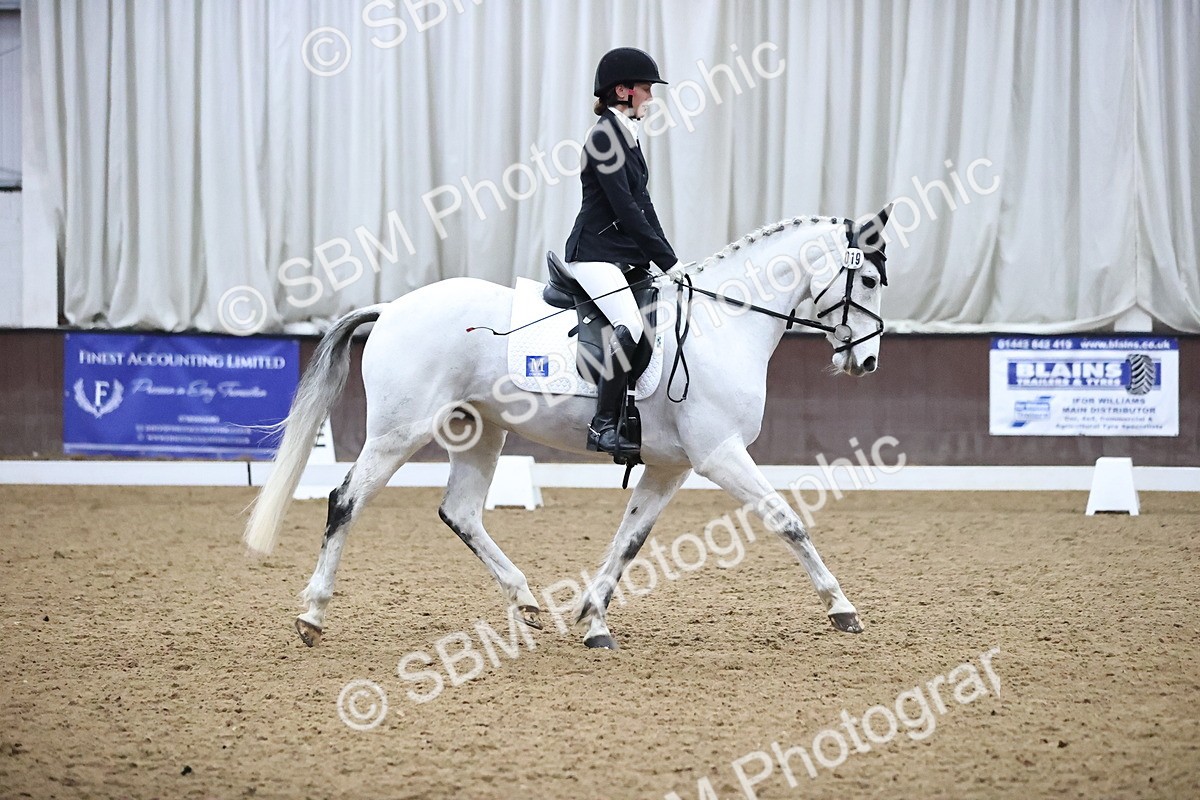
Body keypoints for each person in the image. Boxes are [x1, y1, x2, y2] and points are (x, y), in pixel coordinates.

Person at [564, 46, 687, 458]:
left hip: (618, 255)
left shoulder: (626, 135)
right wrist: (666, 262)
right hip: (594, 254)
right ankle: (603, 425)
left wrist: (672, 257)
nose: (650, 97)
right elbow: (625, 209)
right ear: (623, 90)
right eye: (645, 89)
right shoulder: (603, 136)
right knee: (630, 327)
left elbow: (645, 205)